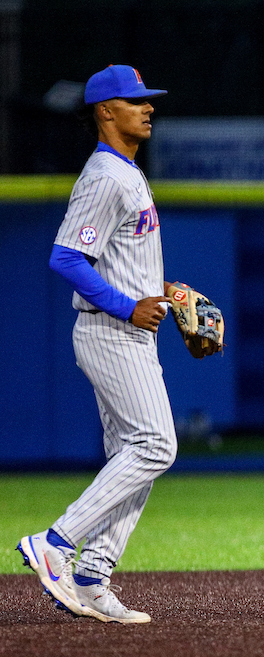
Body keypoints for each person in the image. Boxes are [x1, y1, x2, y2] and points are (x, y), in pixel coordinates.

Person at [15, 65, 176, 624]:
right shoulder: (107, 175)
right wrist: (129, 305)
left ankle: (92, 578)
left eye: (147, 100)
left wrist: (160, 291)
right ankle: (56, 544)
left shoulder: (127, 171)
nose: (147, 107)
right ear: (106, 111)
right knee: (156, 446)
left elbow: (117, 257)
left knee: (130, 457)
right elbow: (65, 257)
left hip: (127, 331)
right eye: (135, 100)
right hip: (112, 334)